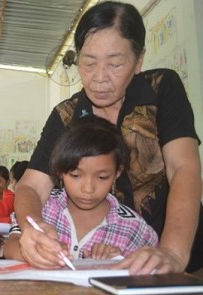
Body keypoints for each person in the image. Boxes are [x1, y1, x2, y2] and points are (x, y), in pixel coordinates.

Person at [14, 1, 202, 274]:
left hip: (185, 255)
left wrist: (172, 252)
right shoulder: (66, 115)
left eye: (115, 64)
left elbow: (183, 167)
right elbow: (31, 187)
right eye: (89, 63)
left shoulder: (161, 90)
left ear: (138, 61)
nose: (99, 78)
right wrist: (34, 228)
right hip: (107, 264)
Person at [5, 116, 159, 262]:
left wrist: (119, 261)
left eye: (102, 177)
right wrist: (37, 254)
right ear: (59, 171)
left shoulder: (134, 228)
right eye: (76, 175)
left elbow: (151, 272)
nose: (88, 189)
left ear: (117, 173)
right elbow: (10, 247)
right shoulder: (42, 208)